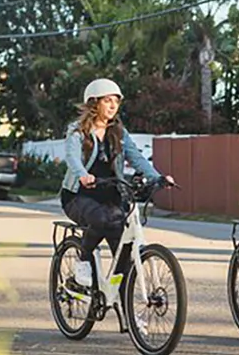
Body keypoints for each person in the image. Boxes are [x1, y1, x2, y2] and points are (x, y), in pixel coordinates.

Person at [60, 78, 171, 288]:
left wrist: (157, 177)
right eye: (107, 101)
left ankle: (127, 315)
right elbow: (72, 157)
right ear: (94, 103)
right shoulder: (77, 130)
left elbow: (136, 158)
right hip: (79, 195)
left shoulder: (119, 132)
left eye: (116, 102)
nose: (113, 106)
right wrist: (83, 174)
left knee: (123, 260)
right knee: (101, 219)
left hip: (112, 196)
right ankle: (84, 260)